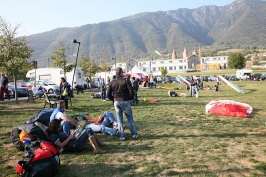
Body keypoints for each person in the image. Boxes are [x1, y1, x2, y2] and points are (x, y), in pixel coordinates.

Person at [107, 67, 138, 141]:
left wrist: (113, 99)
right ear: (121, 73)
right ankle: (134, 134)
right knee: (130, 118)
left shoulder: (112, 82)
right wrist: (130, 99)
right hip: (125, 100)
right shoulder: (126, 80)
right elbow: (131, 91)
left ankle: (122, 135)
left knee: (119, 120)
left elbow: (108, 94)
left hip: (116, 101)